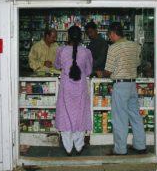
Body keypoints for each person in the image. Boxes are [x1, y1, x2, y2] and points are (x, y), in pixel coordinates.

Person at [97, 22, 146, 155]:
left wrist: (102, 73)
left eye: (109, 35)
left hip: (120, 85)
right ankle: (140, 145)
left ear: (113, 33)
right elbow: (137, 63)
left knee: (120, 119)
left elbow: (108, 70)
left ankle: (120, 149)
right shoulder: (135, 46)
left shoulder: (113, 48)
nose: (109, 38)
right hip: (132, 85)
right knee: (135, 116)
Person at [54, 25, 93, 156]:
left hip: (66, 87)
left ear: (68, 36)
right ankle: (79, 145)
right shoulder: (86, 52)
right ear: (81, 37)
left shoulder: (61, 50)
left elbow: (57, 65)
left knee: (65, 115)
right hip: (80, 87)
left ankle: (68, 147)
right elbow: (88, 71)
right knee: (80, 115)